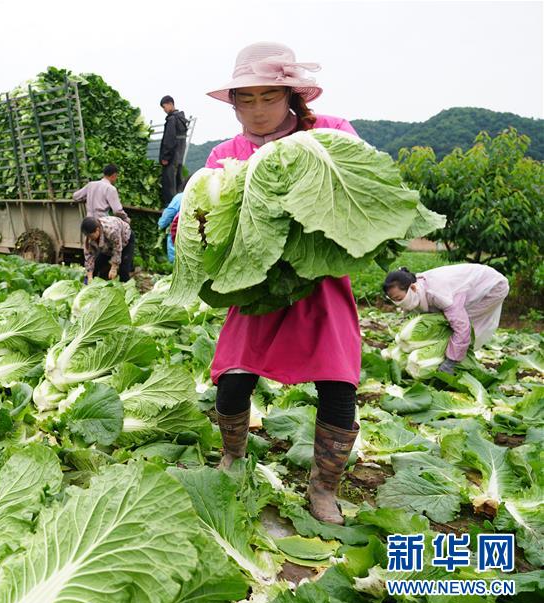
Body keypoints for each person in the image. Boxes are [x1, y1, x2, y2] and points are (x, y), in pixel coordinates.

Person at [202, 42, 361, 525]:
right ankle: (233, 456)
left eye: (268, 97)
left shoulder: (329, 132)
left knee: (338, 385)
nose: (257, 110)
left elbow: (358, 194)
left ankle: (324, 487)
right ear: (233, 103)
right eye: (245, 99)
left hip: (321, 281)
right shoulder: (225, 154)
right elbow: (206, 221)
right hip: (255, 287)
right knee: (233, 379)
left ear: (291, 95)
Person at [383, 264, 510, 373]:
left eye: (399, 299)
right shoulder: (415, 288)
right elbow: (410, 306)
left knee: (459, 324)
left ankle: (455, 360)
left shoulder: (438, 294)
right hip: (466, 285)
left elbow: (461, 327)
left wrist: (450, 361)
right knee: (444, 319)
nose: (398, 303)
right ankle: (450, 354)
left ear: (412, 288)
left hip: (491, 286)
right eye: (394, 300)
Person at [81, 216, 135, 283]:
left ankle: (125, 285)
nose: (90, 239)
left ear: (97, 230)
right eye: (88, 236)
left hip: (125, 240)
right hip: (107, 246)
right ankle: (88, 283)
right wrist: (89, 276)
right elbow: (89, 256)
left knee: (123, 270)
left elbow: (117, 249)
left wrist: (114, 268)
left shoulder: (111, 230)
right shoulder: (89, 238)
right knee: (96, 265)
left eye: (91, 236)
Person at [159, 95, 189, 206]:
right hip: (179, 158)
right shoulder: (181, 119)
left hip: (171, 159)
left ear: (170, 104)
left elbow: (169, 139)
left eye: (164, 107)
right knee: (178, 184)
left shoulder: (172, 119)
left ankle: (171, 208)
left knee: (169, 186)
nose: (164, 110)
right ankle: (179, 207)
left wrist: (165, 157)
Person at [158, 179, 186, 264]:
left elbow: (170, 212)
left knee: (176, 256)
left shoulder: (181, 197)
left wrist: (161, 224)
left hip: (180, 230)